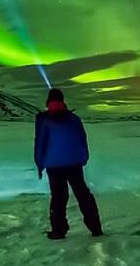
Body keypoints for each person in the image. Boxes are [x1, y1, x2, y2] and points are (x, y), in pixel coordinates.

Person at [34, 88, 103, 239]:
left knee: (59, 197)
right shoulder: (73, 118)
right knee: (82, 193)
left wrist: (39, 163)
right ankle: (95, 228)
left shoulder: (44, 120)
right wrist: (83, 157)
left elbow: (40, 143)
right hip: (74, 163)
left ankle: (59, 230)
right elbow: (82, 139)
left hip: (54, 165)